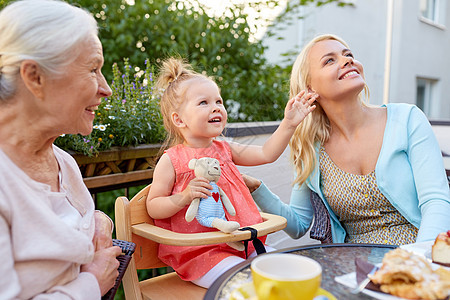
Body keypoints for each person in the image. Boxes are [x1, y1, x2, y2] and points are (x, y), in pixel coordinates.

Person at [243, 33, 450, 245]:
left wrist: (421, 260)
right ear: (310, 88)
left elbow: (437, 200)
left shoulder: (408, 119)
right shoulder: (311, 150)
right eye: (329, 60)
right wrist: (257, 188)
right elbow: (298, 225)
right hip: (355, 267)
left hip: (424, 255)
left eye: (348, 54)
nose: (347, 60)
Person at [146, 57, 316, 288]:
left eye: (219, 101)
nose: (216, 107)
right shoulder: (171, 160)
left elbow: (267, 153)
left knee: (289, 270)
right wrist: (184, 196)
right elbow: (153, 205)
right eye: (203, 102)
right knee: (249, 285)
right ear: (179, 119)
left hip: (241, 245)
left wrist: (289, 123)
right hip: (201, 255)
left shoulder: (225, 149)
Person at [0, 0, 122, 299]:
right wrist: (92, 283)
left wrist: (98, 222)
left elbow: (69, 221)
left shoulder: (62, 162)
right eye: (94, 68)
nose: (106, 89)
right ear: (35, 77)